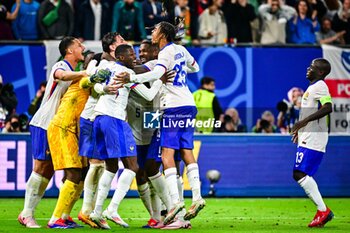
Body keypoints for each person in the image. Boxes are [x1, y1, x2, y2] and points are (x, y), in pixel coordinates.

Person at [115, 21, 205, 225]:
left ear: (163, 34)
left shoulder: (164, 53)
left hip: (172, 107)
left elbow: (156, 74)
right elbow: (195, 67)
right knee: (186, 152)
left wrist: (129, 78)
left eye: (154, 30)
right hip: (188, 104)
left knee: (166, 155)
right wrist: (176, 69)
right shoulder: (181, 49)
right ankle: (197, 197)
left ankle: (175, 203)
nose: (152, 33)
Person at [89, 44, 167, 229]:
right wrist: (159, 81)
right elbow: (148, 95)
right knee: (133, 166)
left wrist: (101, 88)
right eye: (132, 54)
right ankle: (113, 209)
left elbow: (92, 79)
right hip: (115, 119)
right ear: (122, 57)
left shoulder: (107, 66)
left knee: (111, 166)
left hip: (98, 118)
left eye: (137, 53)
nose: (137, 57)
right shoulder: (126, 73)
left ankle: (97, 212)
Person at [18, 37, 90, 228]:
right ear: (69, 50)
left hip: (60, 128)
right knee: (41, 168)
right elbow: (61, 75)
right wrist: (85, 72)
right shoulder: (61, 65)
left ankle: (61, 215)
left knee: (59, 171)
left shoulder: (76, 73)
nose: (82, 47)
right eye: (78, 45)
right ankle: (27, 213)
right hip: (45, 122)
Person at [46, 51, 110, 228]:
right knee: (74, 173)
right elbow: (87, 78)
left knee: (81, 174)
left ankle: (65, 215)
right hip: (62, 128)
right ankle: (55, 219)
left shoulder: (93, 85)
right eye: (90, 62)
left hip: (74, 131)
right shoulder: (82, 80)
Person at [78, 32, 127, 228]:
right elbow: (86, 84)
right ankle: (87, 211)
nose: (125, 43)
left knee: (101, 166)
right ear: (113, 46)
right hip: (92, 116)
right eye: (121, 40)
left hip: (104, 116)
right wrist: (102, 87)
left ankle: (90, 211)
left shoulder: (119, 64)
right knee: (96, 165)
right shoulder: (97, 61)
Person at [291, 58, 334, 227]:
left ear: (321, 72)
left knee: (299, 173)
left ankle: (323, 210)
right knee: (299, 173)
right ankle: (322, 210)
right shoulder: (312, 88)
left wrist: (302, 123)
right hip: (307, 136)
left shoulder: (321, 86)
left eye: (313, 67)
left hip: (315, 137)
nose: (308, 69)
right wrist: (300, 132)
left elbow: (328, 107)